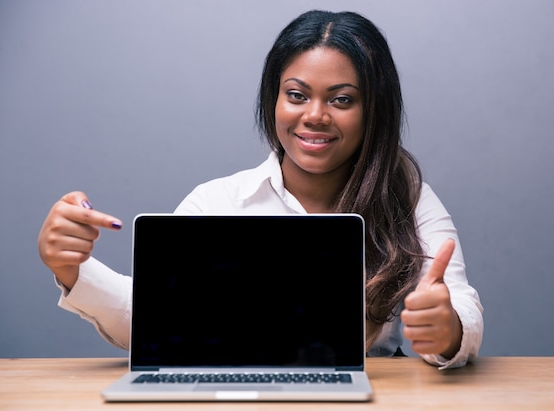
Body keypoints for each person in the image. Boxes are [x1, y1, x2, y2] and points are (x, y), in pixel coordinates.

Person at [38, 10, 483, 369]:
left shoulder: (407, 199)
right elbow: (153, 322)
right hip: (227, 394)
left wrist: (447, 329)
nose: (315, 115)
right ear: (273, 98)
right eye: (296, 94)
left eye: (342, 99)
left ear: (375, 111)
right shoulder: (215, 203)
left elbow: (459, 303)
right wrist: (74, 269)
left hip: (370, 395)